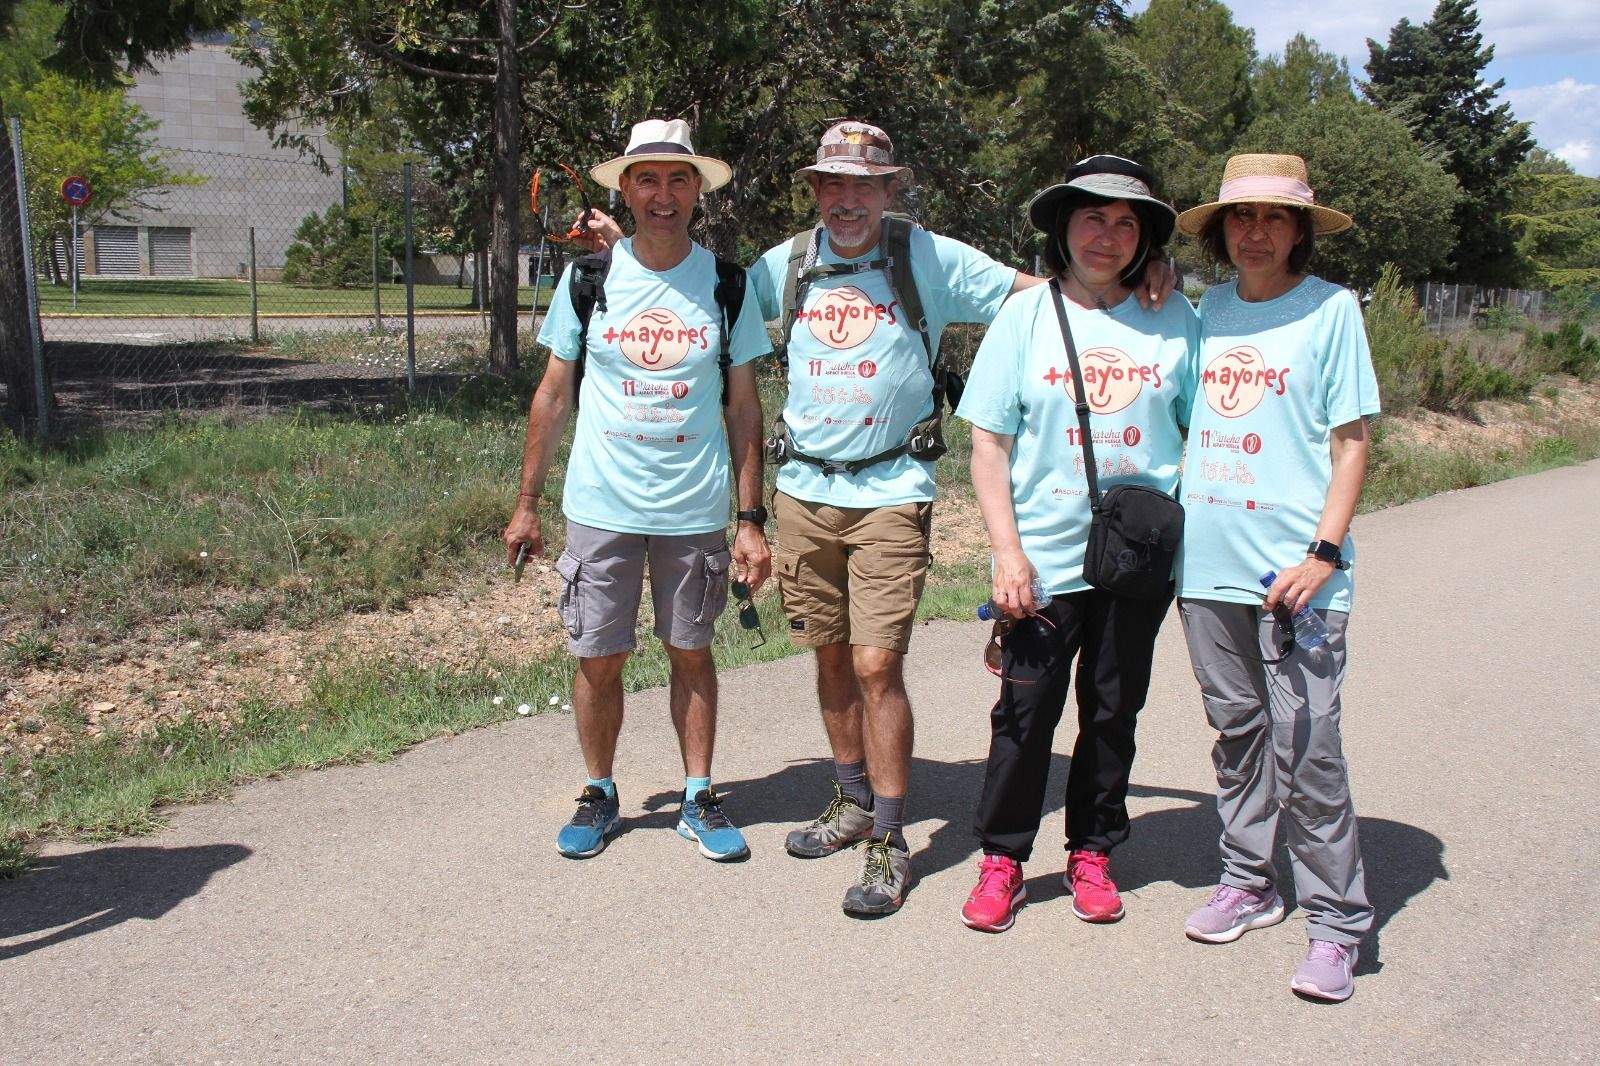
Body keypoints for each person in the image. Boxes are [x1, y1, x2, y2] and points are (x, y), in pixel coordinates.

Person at [502, 118, 773, 863]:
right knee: (599, 657)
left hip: (693, 509)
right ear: (625, 187)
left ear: (697, 192)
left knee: (692, 649)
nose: (663, 193)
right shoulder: (587, 279)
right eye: (647, 178)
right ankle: (599, 790)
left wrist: (751, 519)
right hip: (601, 506)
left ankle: (698, 795)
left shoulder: (727, 283)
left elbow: (744, 406)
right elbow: (554, 395)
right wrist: (526, 505)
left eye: (678, 179)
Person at [954, 155, 1198, 933]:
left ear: (1146, 240)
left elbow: (1208, 430)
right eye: (1092, 217)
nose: (1108, 235)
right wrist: (1006, 553)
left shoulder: (1176, 318)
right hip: (1045, 557)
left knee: (1114, 707)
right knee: (1024, 714)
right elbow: (989, 445)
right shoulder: (1025, 319)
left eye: (1128, 223)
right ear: (1063, 227)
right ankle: (1003, 859)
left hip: (1137, 558)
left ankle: (1093, 849)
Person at [1172, 153, 1380, 1002]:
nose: (1256, 232)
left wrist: (1322, 555)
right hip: (1206, 568)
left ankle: (1337, 925)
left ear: (1299, 231)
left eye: (1275, 218)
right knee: (1240, 738)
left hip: (1296, 576)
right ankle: (1248, 881)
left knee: (1310, 751)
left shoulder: (1331, 313)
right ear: (1222, 232)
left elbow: (1352, 441)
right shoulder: (1205, 310)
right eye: (1242, 217)